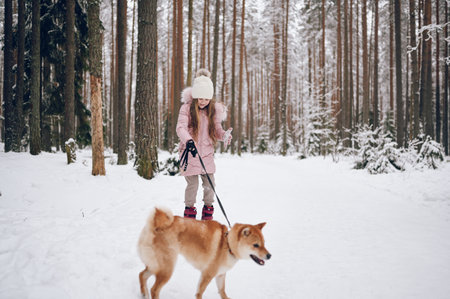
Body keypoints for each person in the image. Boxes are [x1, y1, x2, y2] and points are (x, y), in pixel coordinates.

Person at [176, 69, 232, 220]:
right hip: (190, 153)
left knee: (210, 184)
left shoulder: (213, 111)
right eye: (199, 98)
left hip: (206, 155)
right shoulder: (186, 108)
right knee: (192, 185)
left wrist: (224, 135)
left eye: (206, 99)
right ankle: (189, 213)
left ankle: (208, 213)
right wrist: (188, 141)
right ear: (195, 96)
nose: (202, 101)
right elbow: (180, 127)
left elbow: (216, 130)